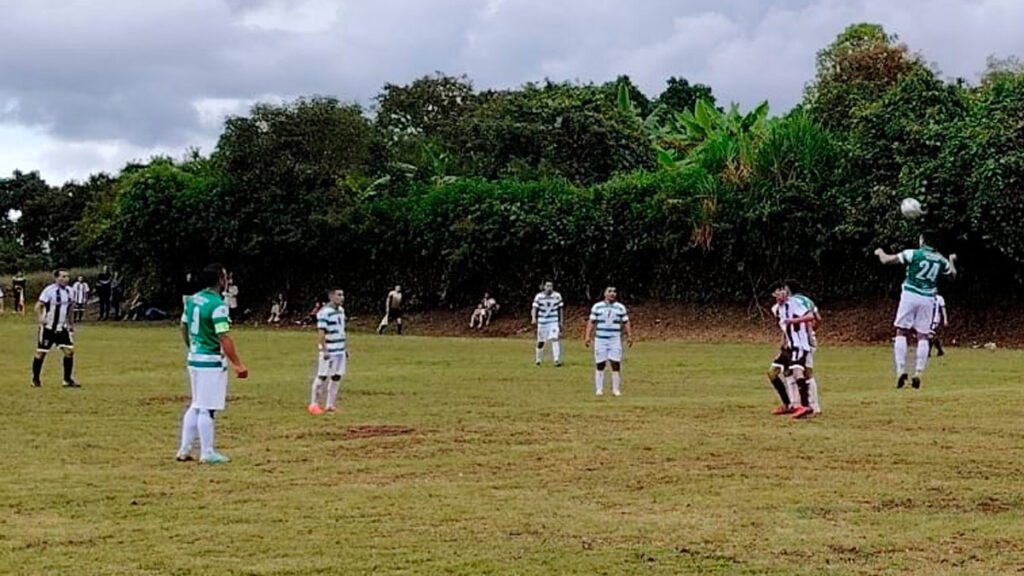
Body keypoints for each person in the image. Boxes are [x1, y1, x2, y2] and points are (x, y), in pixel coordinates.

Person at [176, 263, 248, 465]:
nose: (227, 280)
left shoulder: (192, 300)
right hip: (210, 360)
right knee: (207, 407)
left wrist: (191, 346)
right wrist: (237, 364)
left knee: (196, 404)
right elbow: (223, 336)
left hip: (195, 357)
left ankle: (184, 449)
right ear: (219, 280)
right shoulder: (217, 305)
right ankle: (207, 452)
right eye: (225, 276)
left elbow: (183, 325)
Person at [875, 233, 957, 390]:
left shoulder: (914, 253)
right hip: (928, 298)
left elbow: (887, 260)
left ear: (923, 241)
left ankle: (900, 370)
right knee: (923, 335)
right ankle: (918, 372)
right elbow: (952, 276)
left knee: (901, 331)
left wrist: (879, 251)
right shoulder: (940, 259)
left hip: (910, 294)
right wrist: (952, 261)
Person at [766, 282, 815, 419]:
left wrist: (794, 321)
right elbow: (785, 329)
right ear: (774, 294)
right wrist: (783, 344)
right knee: (772, 373)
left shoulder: (794, 303)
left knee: (798, 371)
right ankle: (787, 404)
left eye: (783, 290)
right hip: (788, 347)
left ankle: (806, 406)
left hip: (800, 345)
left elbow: (810, 316)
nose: (782, 293)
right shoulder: (776, 309)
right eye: (779, 291)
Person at [32, 269, 79, 388]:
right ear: (56, 278)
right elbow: (38, 305)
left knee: (69, 352)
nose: (66, 279)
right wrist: (40, 318)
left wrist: (70, 323)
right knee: (41, 353)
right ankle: (35, 379)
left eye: (67, 276)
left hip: (62, 328)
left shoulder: (70, 291)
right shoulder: (49, 290)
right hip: (48, 328)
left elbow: (70, 309)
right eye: (63, 276)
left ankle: (67, 380)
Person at [585, 287, 633, 396]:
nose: (612, 293)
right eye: (609, 291)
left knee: (615, 363)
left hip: (615, 339)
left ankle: (615, 389)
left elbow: (626, 322)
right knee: (600, 363)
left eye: (614, 291)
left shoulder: (620, 307)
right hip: (600, 339)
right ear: (605, 294)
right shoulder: (597, 307)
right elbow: (591, 322)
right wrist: (587, 336)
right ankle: (599, 389)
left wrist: (629, 335)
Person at [786, 279, 822, 414]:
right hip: (807, 338)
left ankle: (810, 405)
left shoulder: (794, 302)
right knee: (796, 369)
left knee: (803, 371)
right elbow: (818, 318)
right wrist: (813, 331)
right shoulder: (808, 300)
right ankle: (798, 403)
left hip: (801, 341)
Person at [308, 289, 347, 415]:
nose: (342, 297)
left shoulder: (341, 311)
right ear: (331, 297)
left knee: (337, 376)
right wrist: (324, 350)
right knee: (322, 376)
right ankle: (313, 404)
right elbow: (321, 333)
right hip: (330, 350)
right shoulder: (324, 313)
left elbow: (341, 330)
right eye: (338, 295)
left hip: (340, 349)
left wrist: (345, 348)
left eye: (342, 295)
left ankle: (330, 404)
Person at [532, 281, 564, 366]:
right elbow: (534, 308)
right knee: (541, 342)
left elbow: (560, 309)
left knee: (555, 338)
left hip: (553, 321)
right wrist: (533, 318)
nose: (549, 288)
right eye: (547, 286)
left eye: (551, 286)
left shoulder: (557, 296)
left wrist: (561, 321)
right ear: (544, 287)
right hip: (543, 322)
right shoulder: (539, 296)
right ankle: (538, 359)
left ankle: (556, 360)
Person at [930, 293, 948, 358]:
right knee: (931, 336)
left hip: (935, 319)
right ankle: (940, 351)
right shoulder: (926, 297)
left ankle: (928, 352)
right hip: (927, 319)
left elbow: (943, 309)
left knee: (930, 335)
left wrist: (945, 319)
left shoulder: (939, 298)